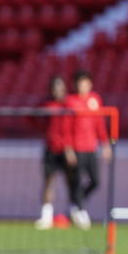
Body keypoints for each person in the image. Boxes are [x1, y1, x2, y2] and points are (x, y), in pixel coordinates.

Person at [60, 69, 111, 230]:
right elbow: (66, 127)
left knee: (95, 181)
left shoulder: (95, 100)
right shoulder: (70, 101)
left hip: (91, 147)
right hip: (76, 148)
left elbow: (99, 124)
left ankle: (75, 205)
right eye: (80, 83)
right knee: (76, 180)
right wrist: (68, 149)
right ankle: (80, 210)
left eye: (85, 83)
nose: (83, 86)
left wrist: (105, 144)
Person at [35, 74, 74, 230]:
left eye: (60, 88)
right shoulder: (46, 105)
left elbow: (72, 129)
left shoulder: (69, 105)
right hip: (51, 149)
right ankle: (46, 215)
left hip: (67, 150)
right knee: (49, 181)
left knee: (71, 182)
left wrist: (70, 148)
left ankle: (73, 212)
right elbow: (31, 117)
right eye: (54, 88)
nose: (57, 91)